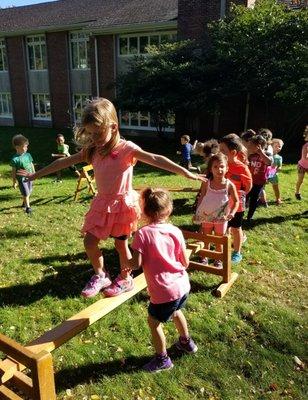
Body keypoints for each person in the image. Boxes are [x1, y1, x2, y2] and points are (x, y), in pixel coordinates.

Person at [18, 98, 204, 298]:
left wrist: (186, 172)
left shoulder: (127, 149)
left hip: (123, 205)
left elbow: (156, 159)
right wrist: (36, 174)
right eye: (90, 133)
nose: (94, 138)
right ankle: (101, 275)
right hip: (102, 204)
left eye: (98, 133)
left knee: (121, 244)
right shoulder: (92, 150)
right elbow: (64, 162)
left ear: (113, 127)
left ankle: (125, 279)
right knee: (89, 242)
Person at [129, 187, 197, 373]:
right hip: (182, 285)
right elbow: (185, 261)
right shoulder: (175, 230)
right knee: (176, 311)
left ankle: (162, 360)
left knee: (154, 322)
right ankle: (186, 343)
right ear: (169, 209)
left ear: (145, 211)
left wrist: (123, 252)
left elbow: (135, 265)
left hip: (164, 290)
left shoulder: (142, 234)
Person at [194, 152, 239, 268]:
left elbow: (236, 201)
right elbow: (201, 198)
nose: (219, 170)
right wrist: (197, 213)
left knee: (219, 240)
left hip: (221, 218)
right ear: (211, 169)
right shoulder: (206, 183)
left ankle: (218, 259)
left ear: (227, 168)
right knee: (206, 237)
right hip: (206, 216)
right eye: (215, 167)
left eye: (222, 166)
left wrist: (232, 213)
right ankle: (204, 257)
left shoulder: (229, 185)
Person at [219, 134, 252, 263]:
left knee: (236, 228)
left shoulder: (242, 168)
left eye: (223, 151)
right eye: (219, 150)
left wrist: (238, 193)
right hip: (221, 202)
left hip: (236, 205)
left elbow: (248, 186)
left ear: (233, 152)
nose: (219, 153)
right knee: (224, 227)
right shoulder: (220, 164)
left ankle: (237, 252)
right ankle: (222, 248)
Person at [246, 135, 272, 222]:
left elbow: (269, 162)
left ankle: (249, 217)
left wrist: (261, 153)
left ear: (258, 146)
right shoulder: (250, 155)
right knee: (244, 197)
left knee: (254, 199)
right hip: (249, 181)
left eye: (250, 146)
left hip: (259, 183)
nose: (248, 147)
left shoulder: (266, 155)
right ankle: (239, 213)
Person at [10, 134, 35, 215]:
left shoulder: (28, 155)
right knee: (26, 193)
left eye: (27, 146)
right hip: (22, 179)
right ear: (17, 147)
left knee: (30, 190)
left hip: (30, 177)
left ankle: (24, 202)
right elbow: (13, 172)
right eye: (24, 146)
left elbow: (31, 164)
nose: (26, 148)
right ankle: (28, 207)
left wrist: (34, 174)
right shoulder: (15, 159)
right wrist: (14, 181)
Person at [267, 138, 284, 205]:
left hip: (273, 174)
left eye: (279, 146)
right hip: (265, 173)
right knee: (262, 188)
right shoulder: (267, 155)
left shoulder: (279, 157)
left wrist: (279, 168)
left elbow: (280, 166)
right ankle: (261, 199)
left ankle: (278, 199)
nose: (278, 148)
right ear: (271, 146)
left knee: (275, 187)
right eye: (276, 146)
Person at [295, 125, 308, 200]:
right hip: (302, 166)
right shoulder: (306, 146)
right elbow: (304, 157)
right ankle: (297, 192)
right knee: (300, 180)